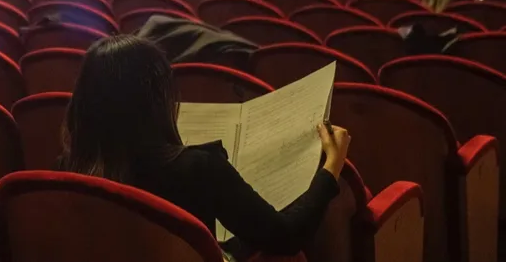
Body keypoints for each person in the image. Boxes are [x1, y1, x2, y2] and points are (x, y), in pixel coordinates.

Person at [60, 35, 350, 258]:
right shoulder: (199, 170)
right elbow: (286, 239)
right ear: (158, 101)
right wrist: (331, 167)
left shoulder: (69, 169)